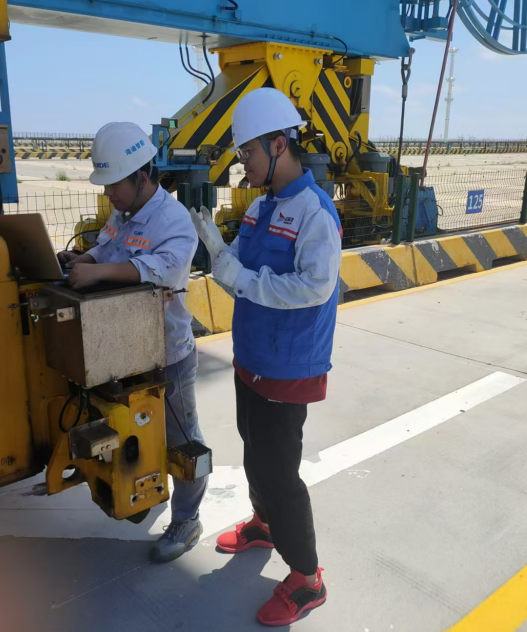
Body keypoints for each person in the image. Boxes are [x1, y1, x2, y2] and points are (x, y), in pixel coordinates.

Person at [191, 88, 342, 627]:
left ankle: (307, 579)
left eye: (249, 152)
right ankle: (264, 524)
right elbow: (239, 270)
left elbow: (314, 287)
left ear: (280, 145)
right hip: (251, 356)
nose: (243, 164)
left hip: (287, 365)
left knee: (279, 472)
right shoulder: (260, 207)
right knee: (254, 451)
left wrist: (240, 277)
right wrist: (216, 248)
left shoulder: (314, 213)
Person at [57, 122, 207, 563]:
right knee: (135, 433)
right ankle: (142, 491)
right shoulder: (122, 214)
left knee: (183, 441)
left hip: (167, 353)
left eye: (114, 185)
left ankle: (188, 520)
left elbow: (164, 270)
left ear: (142, 176)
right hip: (123, 351)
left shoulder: (173, 220)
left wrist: (99, 272)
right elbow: (106, 248)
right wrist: (81, 260)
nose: (109, 195)